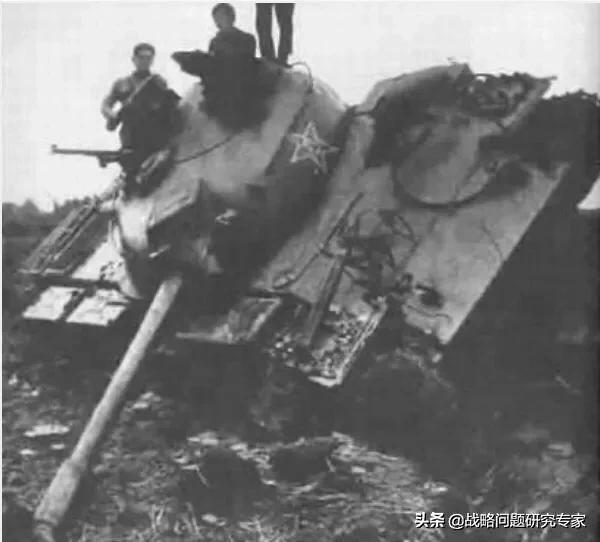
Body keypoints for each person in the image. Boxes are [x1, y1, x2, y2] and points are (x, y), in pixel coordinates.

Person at [101, 43, 179, 178]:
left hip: (153, 134)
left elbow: (168, 106)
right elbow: (106, 104)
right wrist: (111, 115)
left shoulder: (158, 82)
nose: (145, 61)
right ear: (134, 59)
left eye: (148, 58)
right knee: (131, 172)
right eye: (141, 58)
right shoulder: (122, 83)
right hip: (131, 135)